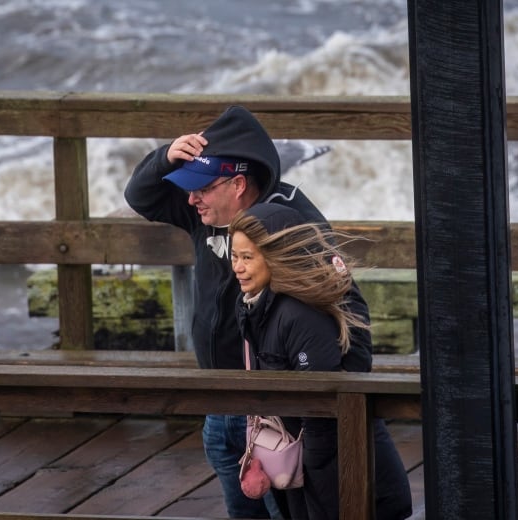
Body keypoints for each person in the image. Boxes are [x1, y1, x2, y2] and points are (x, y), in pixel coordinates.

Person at [123, 105, 372, 518]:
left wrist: (327, 414)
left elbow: (345, 310)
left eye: (201, 187)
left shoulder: (291, 221)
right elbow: (141, 197)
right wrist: (166, 155)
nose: (191, 199)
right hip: (218, 398)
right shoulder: (204, 212)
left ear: (238, 184)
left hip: (273, 410)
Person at [229, 202, 413, 520]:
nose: (238, 267)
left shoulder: (298, 314)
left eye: (248, 257)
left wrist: (311, 480)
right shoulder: (253, 305)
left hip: (338, 465)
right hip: (303, 459)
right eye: (234, 256)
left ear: (276, 257)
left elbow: (322, 409)